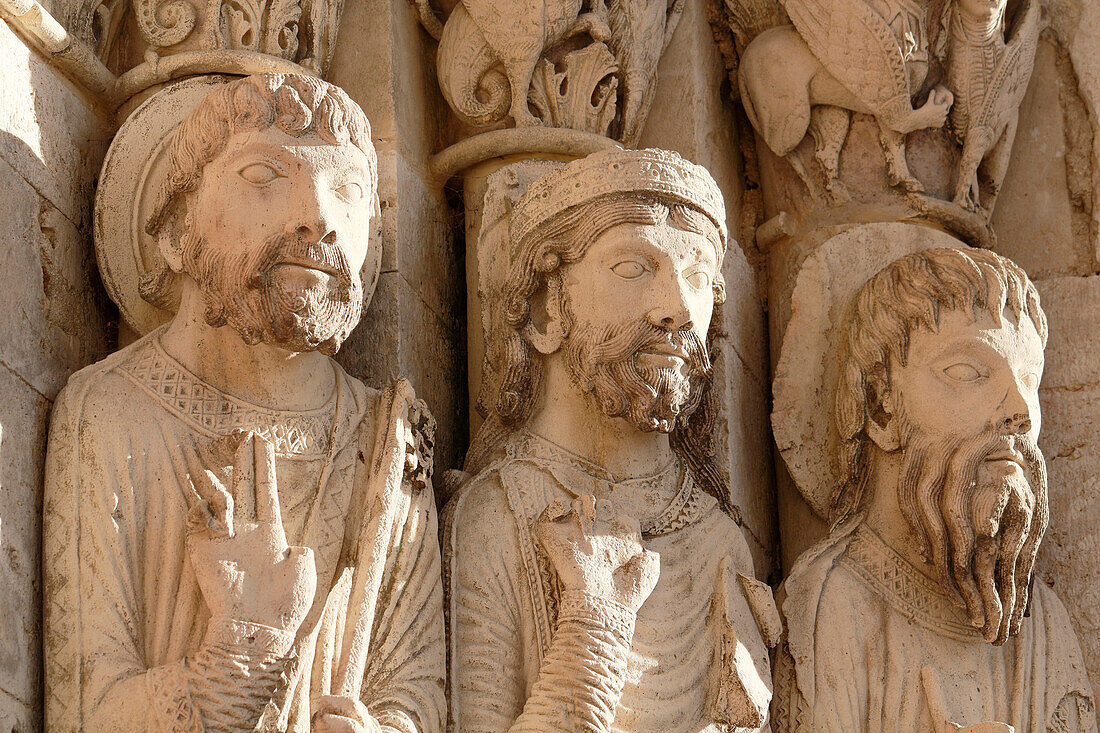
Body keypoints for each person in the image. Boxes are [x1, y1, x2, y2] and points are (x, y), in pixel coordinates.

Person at [43, 73, 445, 733]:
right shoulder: (110, 413)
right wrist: (240, 648)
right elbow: (84, 710)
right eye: (265, 174)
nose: (318, 214)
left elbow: (416, 697)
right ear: (176, 230)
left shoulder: (390, 437)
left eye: (346, 190)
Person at [446, 147, 778, 733]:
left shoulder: (717, 537)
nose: (678, 308)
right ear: (546, 310)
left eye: (698, 276)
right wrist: (591, 629)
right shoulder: (499, 514)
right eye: (633, 268)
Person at [771, 246, 1096, 732]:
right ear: (882, 408)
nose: (1020, 412)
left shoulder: (1040, 624)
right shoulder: (832, 604)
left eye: (1029, 379)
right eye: (968, 372)